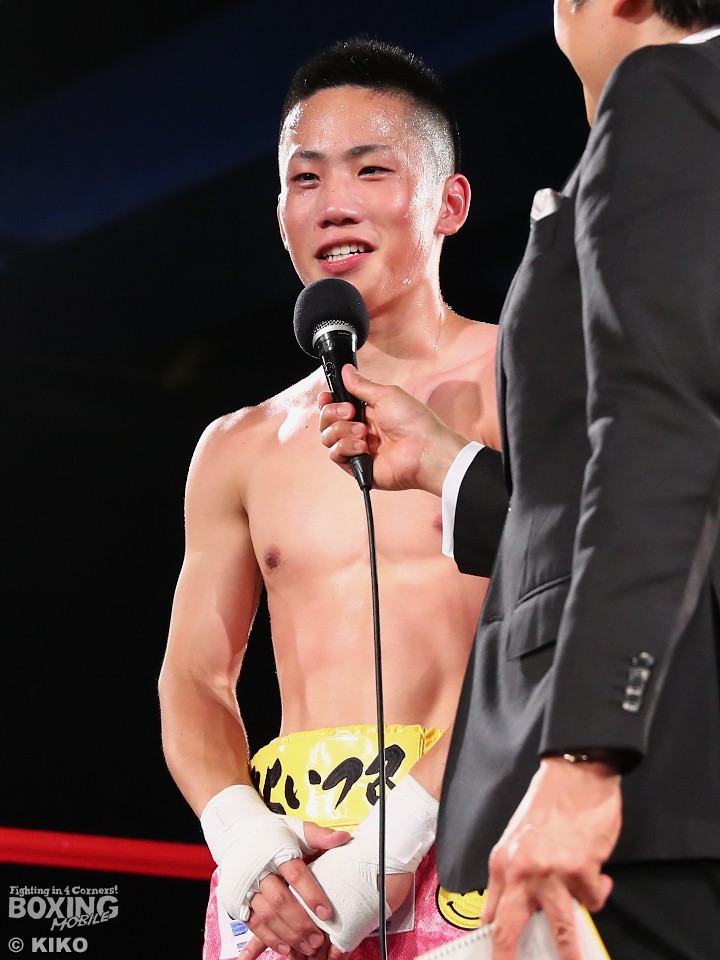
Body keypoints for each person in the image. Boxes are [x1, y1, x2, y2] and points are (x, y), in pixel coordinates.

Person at [319, 3, 720, 958]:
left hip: (654, 789)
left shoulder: (668, 95)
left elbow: (661, 439)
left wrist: (584, 758)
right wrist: (450, 468)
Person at [158, 38, 508, 960]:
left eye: (371, 169)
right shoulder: (238, 446)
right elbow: (194, 678)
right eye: (305, 178)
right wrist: (249, 844)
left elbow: (563, 629)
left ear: (449, 202)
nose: (333, 203)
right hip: (291, 879)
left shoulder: (530, 383)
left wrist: (388, 849)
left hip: (474, 846)